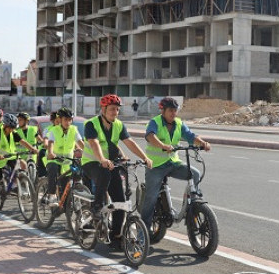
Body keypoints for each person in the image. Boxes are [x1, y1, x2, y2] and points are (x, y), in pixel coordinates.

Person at [81, 94, 152, 244]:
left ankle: (116, 236)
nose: (115, 112)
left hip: (110, 164)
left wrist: (145, 157)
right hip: (91, 163)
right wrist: (102, 159)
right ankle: (97, 207)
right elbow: (94, 144)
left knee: (121, 200)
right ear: (103, 109)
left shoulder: (119, 125)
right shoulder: (91, 124)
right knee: (104, 173)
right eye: (112, 109)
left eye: (117, 109)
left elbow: (129, 142)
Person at [141, 97, 210, 231]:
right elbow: (150, 136)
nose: (173, 113)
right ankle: (143, 230)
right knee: (151, 197)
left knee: (195, 174)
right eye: (170, 110)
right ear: (163, 111)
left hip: (173, 163)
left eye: (175, 110)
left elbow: (190, 136)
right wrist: (163, 145)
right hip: (156, 166)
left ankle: (191, 205)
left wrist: (202, 143)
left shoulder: (179, 123)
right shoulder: (155, 122)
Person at [0, 113, 37, 218]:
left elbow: (23, 142)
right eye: (11, 128)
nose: (12, 130)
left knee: (22, 164)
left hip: (10, 156)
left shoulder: (14, 132)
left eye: (14, 128)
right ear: (5, 126)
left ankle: (15, 183)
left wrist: (33, 149)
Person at [44, 107, 84, 207]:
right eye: (65, 119)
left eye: (70, 120)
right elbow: (51, 142)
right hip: (54, 159)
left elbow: (80, 143)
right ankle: (51, 195)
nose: (68, 122)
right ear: (60, 120)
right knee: (53, 170)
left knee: (67, 185)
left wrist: (90, 153)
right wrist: (50, 153)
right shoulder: (54, 130)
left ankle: (65, 206)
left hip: (67, 161)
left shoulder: (74, 130)